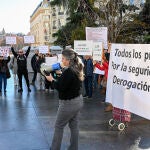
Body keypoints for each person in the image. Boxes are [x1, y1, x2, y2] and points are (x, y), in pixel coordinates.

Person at [45, 49, 84, 150]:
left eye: (62, 58)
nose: (61, 61)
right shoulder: (76, 68)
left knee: (59, 126)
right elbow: (67, 83)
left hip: (68, 104)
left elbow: (60, 87)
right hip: (78, 101)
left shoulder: (69, 72)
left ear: (68, 60)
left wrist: (51, 80)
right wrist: (59, 74)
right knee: (74, 126)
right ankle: (74, 148)